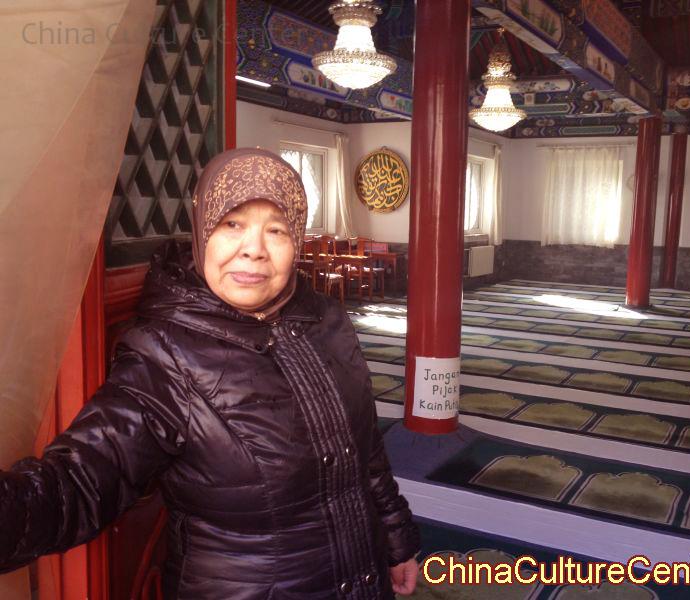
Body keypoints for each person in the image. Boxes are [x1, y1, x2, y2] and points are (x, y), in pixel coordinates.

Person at [0, 148, 420, 598]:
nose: (254, 249)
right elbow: (80, 482)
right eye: (232, 224)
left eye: (276, 230)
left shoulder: (326, 320)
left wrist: (398, 540)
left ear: (296, 240)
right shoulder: (164, 354)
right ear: (203, 231)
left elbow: (366, 451)